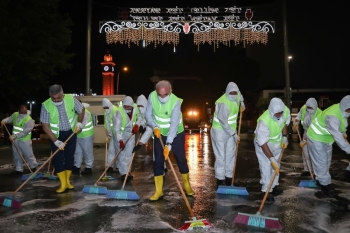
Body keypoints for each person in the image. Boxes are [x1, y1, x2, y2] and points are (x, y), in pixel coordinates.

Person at [145, 80, 194, 201]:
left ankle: (187, 185)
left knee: (181, 159)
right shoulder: (152, 96)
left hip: (176, 134)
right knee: (158, 161)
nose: (162, 97)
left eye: (165, 94)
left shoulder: (176, 102)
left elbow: (174, 124)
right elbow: (148, 114)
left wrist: (169, 144)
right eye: (159, 95)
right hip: (159, 133)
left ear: (170, 91)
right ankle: (158, 191)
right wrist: (154, 126)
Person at [40, 84, 85, 193]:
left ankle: (68, 181)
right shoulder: (46, 105)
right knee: (58, 159)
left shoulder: (70, 98)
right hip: (55, 135)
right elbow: (45, 126)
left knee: (70, 157)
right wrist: (56, 141)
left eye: (58, 98)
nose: (56, 100)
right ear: (50, 96)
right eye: (53, 98)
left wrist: (79, 123)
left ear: (62, 94)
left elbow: (82, 109)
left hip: (71, 133)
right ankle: (63, 183)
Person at [307, 95, 350, 197]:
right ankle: (325, 188)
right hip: (316, 138)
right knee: (321, 162)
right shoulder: (333, 117)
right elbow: (338, 137)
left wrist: (343, 132)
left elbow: (341, 124)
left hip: (326, 139)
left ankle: (320, 180)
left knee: (326, 161)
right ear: (346, 107)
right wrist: (348, 148)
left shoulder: (341, 109)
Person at [254, 97, 290, 202]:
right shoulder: (264, 121)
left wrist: (284, 137)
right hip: (264, 146)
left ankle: (273, 187)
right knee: (266, 166)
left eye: (281, 113)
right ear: (272, 111)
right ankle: (266, 190)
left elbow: (284, 123)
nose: (279, 115)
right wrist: (271, 159)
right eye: (277, 113)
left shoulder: (285, 110)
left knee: (276, 167)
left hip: (277, 143)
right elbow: (262, 143)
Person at [210, 82, 245, 188]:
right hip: (219, 131)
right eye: (231, 93)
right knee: (221, 157)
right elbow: (223, 122)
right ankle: (220, 181)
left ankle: (229, 179)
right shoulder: (222, 103)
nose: (234, 95)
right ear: (227, 92)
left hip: (231, 130)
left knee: (231, 154)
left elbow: (240, 96)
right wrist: (233, 133)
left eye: (235, 93)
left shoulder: (237, 95)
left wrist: (242, 103)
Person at [132, 94, 167, 173]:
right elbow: (142, 118)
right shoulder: (143, 110)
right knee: (158, 152)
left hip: (159, 132)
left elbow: (150, 129)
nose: (140, 108)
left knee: (158, 152)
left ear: (145, 104)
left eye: (141, 105)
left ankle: (162, 168)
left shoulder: (151, 110)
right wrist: (140, 125)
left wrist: (140, 143)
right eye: (138, 106)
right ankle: (160, 167)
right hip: (153, 132)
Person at [1, 105, 38, 174]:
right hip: (15, 140)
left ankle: (33, 167)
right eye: (21, 113)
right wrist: (4, 120)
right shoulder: (15, 114)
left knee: (28, 154)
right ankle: (18, 169)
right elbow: (10, 119)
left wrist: (15, 136)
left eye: (24, 113)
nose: (23, 115)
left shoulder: (29, 120)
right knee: (17, 154)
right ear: (18, 111)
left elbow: (25, 132)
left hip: (25, 140)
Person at [293, 98, 322, 176]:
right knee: (305, 152)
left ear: (315, 107)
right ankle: (307, 170)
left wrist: (306, 139)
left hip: (316, 135)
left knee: (314, 153)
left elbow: (317, 128)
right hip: (306, 132)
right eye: (308, 107)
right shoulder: (304, 108)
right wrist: (296, 121)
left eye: (311, 108)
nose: (309, 109)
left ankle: (316, 172)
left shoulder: (320, 114)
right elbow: (299, 115)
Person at [114, 96, 139, 181]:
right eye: (125, 106)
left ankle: (128, 171)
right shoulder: (119, 112)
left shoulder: (136, 108)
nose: (127, 108)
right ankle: (123, 174)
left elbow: (140, 117)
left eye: (128, 106)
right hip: (121, 134)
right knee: (122, 154)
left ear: (132, 105)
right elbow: (117, 129)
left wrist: (137, 125)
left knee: (129, 154)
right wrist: (120, 140)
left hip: (132, 133)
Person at [73, 102, 94, 175]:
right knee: (77, 152)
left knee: (87, 151)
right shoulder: (76, 112)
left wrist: (77, 128)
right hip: (78, 135)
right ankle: (77, 166)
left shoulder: (85, 113)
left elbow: (81, 124)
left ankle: (89, 167)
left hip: (86, 135)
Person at [103, 98, 119, 172]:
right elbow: (107, 124)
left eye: (106, 107)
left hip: (118, 134)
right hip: (112, 134)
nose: (105, 109)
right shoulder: (106, 112)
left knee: (118, 150)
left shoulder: (115, 110)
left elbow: (117, 124)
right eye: (104, 108)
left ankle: (120, 167)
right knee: (111, 150)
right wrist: (109, 135)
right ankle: (110, 166)